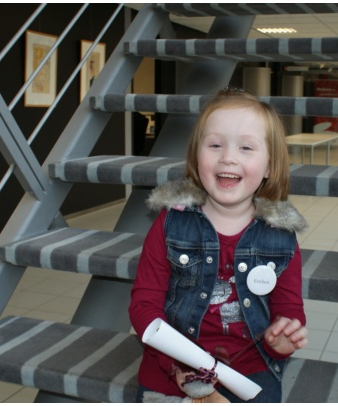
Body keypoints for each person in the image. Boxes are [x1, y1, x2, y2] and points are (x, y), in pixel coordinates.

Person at [129, 88, 308, 403]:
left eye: (246, 147)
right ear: (196, 157)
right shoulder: (170, 224)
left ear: (269, 166)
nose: (228, 157)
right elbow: (144, 305)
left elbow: (289, 310)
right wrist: (176, 365)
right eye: (215, 145)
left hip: (249, 373)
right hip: (171, 368)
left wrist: (282, 341)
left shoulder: (280, 237)